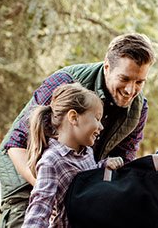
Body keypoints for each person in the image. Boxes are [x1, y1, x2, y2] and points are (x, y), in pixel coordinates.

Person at [0, 33, 155, 228]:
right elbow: (16, 143)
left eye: (140, 82)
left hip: (78, 185)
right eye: (124, 78)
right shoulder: (65, 83)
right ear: (107, 67)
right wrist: (50, 192)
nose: (131, 90)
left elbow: (122, 162)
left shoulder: (139, 109)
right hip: (28, 177)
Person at [22, 83, 124, 227]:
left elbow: (88, 180)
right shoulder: (52, 161)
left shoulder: (86, 152)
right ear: (74, 117)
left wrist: (104, 165)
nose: (101, 127)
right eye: (97, 118)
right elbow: (40, 207)